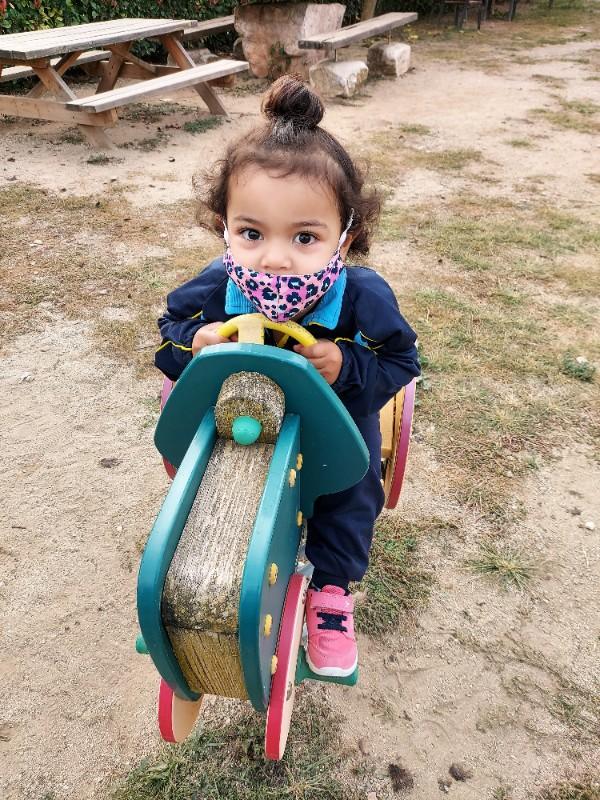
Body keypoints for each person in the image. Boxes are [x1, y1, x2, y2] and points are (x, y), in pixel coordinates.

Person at [155, 74, 420, 678]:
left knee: (353, 485)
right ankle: (202, 566)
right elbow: (167, 334)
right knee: (196, 471)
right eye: (251, 233)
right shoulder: (217, 284)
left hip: (331, 415)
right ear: (224, 226)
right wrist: (195, 342)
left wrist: (348, 365)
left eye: (304, 237)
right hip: (237, 414)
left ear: (344, 238)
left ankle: (332, 589)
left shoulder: (362, 295)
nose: (275, 258)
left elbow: (402, 361)